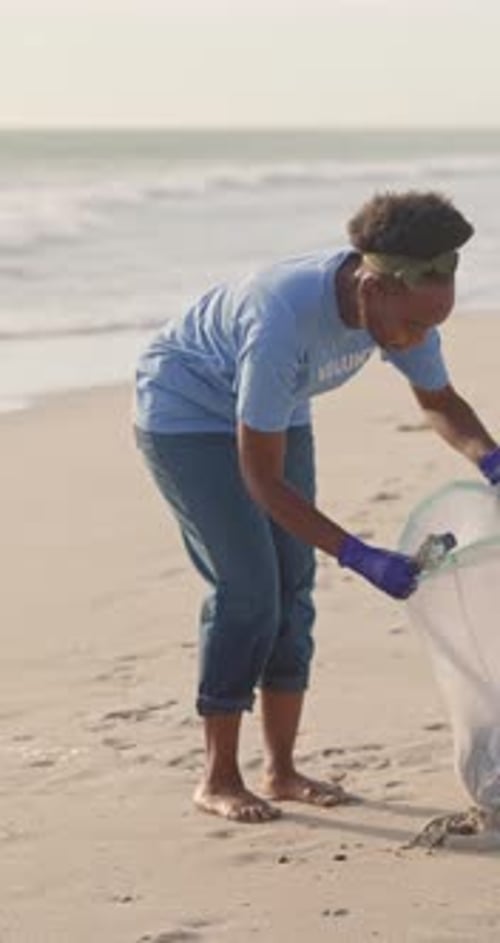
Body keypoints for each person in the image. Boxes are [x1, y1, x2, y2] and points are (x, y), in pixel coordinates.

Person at [134, 190, 500, 824]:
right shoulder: (281, 320)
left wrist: (493, 463)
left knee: (294, 587)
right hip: (185, 414)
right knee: (248, 590)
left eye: (431, 326)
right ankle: (218, 776)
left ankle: (281, 771)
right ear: (372, 287)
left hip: (277, 409)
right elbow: (262, 481)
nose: (417, 340)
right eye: (412, 326)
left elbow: (439, 402)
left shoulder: (406, 304)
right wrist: (359, 556)